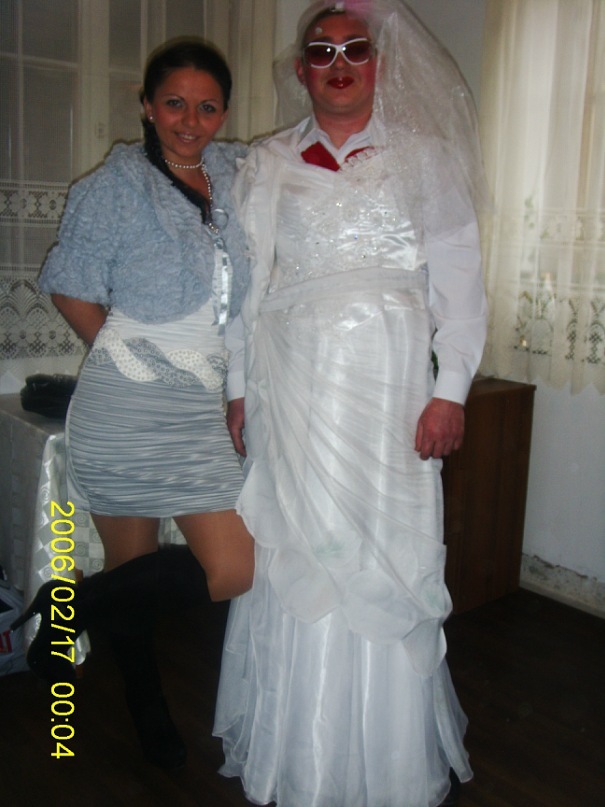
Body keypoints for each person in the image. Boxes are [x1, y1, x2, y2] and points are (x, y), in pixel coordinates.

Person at [213, 1, 488, 805]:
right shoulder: (266, 163)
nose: (339, 63)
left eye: (355, 48)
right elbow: (244, 291)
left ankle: (384, 761)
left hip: (389, 396)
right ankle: (298, 752)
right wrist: (237, 388)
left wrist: (449, 391)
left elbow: (460, 285)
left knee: (383, 554)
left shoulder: (425, 159)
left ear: (378, 63)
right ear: (300, 69)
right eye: (322, 50)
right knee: (298, 551)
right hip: (292, 396)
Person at [12, 38, 253, 770]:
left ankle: (68, 609)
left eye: (207, 106)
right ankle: (150, 718)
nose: (190, 120)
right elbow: (68, 283)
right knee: (133, 565)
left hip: (197, 410)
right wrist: (130, 358)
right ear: (146, 106)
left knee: (235, 567)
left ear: (223, 113)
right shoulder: (114, 186)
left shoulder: (235, 175)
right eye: (174, 103)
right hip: (123, 405)